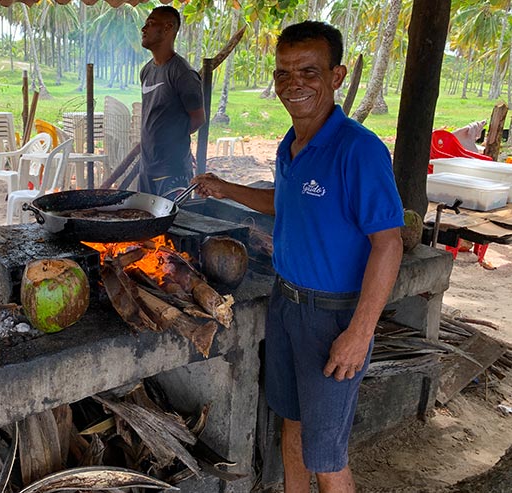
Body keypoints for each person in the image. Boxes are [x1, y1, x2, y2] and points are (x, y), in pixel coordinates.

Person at [193, 21, 404, 492]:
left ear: (337, 76)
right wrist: (225, 188)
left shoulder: (359, 150)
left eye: (309, 71)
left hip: (332, 318)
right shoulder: (291, 144)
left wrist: (360, 332)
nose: (294, 84)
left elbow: (389, 243)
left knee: (326, 456)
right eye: (284, 73)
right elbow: (285, 201)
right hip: (285, 304)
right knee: (291, 425)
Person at [139, 6, 205, 197]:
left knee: (172, 225)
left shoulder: (183, 73)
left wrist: (171, 143)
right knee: (145, 223)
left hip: (171, 171)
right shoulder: (146, 71)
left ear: (168, 28)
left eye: (150, 24)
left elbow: (198, 119)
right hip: (147, 169)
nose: (144, 29)